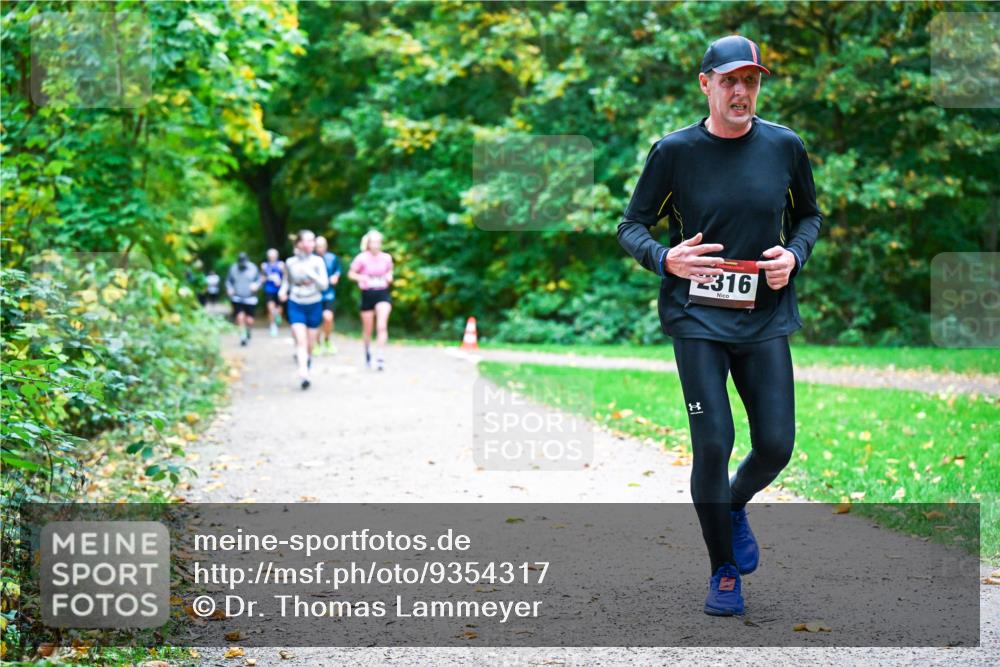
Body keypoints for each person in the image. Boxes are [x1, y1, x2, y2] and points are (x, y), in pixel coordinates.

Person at [617, 35, 822, 617]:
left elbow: (808, 215)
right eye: (729, 80)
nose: (741, 91)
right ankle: (723, 570)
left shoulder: (785, 145)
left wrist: (794, 256)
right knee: (714, 442)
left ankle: (730, 505)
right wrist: (665, 258)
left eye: (751, 81)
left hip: (765, 318)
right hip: (697, 317)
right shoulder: (674, 152)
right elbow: (630, 225)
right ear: (705, 84)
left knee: (776, 446)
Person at [280, 230, 328, 389]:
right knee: (301, 340)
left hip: (314, 303)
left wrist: (311, 274)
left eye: (312, 241)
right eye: (306, 241)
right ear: (298, 243)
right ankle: (303, 373)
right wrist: (282, 291)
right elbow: (286, 282)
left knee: (310, 344)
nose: (309, 244)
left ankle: (306, 361)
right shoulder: (290, 262)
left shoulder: (318, 262)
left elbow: (324, 285)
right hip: (296, 302)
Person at [348, 229, 393, 371]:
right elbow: (351, 274)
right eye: (373, 242)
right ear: (368, 244)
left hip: (382, 293)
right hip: (367, 294)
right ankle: (368, 352)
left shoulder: (386, 257)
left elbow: (389, 271)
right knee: (368, 330)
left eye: (378, 242)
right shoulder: (361, 258)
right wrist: (361, 277)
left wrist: (389, 276)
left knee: (382, 326)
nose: (376, 245)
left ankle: (380, 356)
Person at [225, 252, 262, 346]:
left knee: (249, 320)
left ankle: (248, 330)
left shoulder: (253, 268)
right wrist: (230, 288)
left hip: (250, 298)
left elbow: (259, 280)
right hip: (237, 297)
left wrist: (256, 286)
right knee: (240, 317)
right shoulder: (233, 268)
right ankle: (243, 336)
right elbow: (228, 281)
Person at [314, 235, 342, 355]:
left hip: (328, 294)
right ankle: (316, 344)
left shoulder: (332, 258)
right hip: (314, 295)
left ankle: (327, 340)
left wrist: (336, 276)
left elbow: (338, 270)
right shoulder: (311, 259)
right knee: (316, 320)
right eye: (318, 246)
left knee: (328, 318)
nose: (321, 248)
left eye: (323, 246)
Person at [260, 248, 286, 337]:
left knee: (279, 309)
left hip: (279, 291)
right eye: (271, 256)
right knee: (270, 309)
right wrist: (267, 278)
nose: (272, 258)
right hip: (269, 290)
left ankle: (278, 317)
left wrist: (280, 281)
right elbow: (262, 278)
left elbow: (286, 277)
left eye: (274, 256)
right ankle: (272, 326)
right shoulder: (264, 266)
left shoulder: (281, 265)